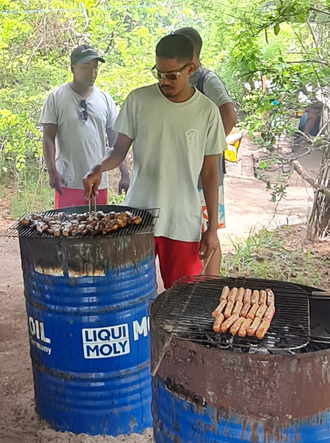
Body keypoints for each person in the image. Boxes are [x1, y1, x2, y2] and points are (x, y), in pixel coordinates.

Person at [83, 34, 226, 289]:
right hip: (138, 218)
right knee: (131, 293)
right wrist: (98, 168)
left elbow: (210, 173)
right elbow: (118, 150)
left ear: (190, 69)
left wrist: (212, 229)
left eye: (172, 75)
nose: (164, 81)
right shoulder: (138, 101)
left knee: (183, 298)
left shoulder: (207, 112)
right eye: (159, 73)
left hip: (183, 220)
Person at [174, 27, 237, 276]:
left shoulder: (206, 80)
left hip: (205, 172)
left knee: (208, 230)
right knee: (189, 229)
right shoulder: (179, 79)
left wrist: (206, 149)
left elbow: (229, 115)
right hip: (183, 171)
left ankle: (210, 287)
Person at [40, 45, 126, 208]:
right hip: (67, 182)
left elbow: (116, 141)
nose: (92, 72)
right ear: (73, 68)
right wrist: (52, 171)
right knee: (67, 228)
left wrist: (124, 173)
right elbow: (48, 138)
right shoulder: (56, 98)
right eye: (85, 67)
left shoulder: (105, 99)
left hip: (98, 182)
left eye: (95, 67)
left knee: (98, 228)